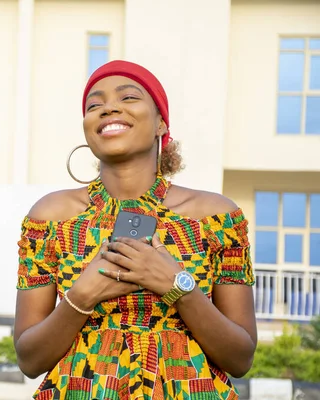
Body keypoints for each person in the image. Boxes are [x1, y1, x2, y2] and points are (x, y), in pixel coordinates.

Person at [13, 60, 257, 400]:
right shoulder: (50, 219)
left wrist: (177, 286)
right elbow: (29, 359)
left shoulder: (217, 218)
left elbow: (240, 358)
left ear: (160, 123)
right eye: (93, 105)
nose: (108, 107)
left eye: (128, 97)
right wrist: (83, 295)